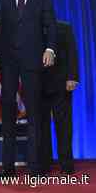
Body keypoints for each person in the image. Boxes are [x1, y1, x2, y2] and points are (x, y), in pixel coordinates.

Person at [0, 0, 57, 177]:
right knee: (8, 112)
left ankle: (35, 167)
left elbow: (51, 26)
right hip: (9, 62)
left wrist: (50, 49)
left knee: (35, 113)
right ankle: (7, 168)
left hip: (33, 61)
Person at [41, 20, 79, 175]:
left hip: (62, 83)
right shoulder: (31, 28)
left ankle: (66, 164)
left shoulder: (64, 27)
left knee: (64, 125)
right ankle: (44, 163)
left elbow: (72, 53)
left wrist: (72, 77)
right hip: (38, 85)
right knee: (41, 127)